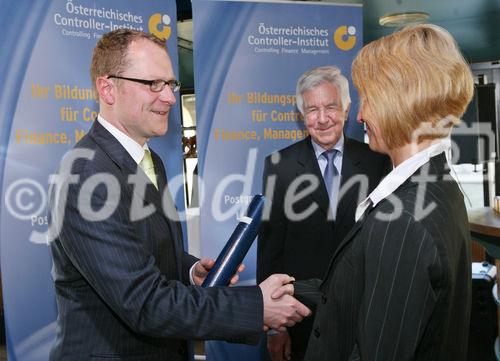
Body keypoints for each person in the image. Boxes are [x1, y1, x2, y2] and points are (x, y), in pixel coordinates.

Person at [48, 29, 310, 361]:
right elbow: (144, 303)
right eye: (153, 84)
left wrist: (189, 270)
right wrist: (256, 307)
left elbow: (141, 251)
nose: (171, 97)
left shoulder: (149, 160)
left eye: (170, 84)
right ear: (107, 88)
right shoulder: (84, 175)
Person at [300, 24, 473, 361]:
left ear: (399, 101)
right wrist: (293, 290)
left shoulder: (403, 221)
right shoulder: (439, 186)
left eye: (368, 99)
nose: (360, 114)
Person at [257, 66, 390, 361]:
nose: (322, 118)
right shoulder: (280, 165)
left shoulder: (377, 162)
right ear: (301, 116)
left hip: (362, 312)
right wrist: (274, 327)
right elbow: (270, 249)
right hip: (302, 315)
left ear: (345, 108)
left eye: (330, 106)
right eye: (312, 109)